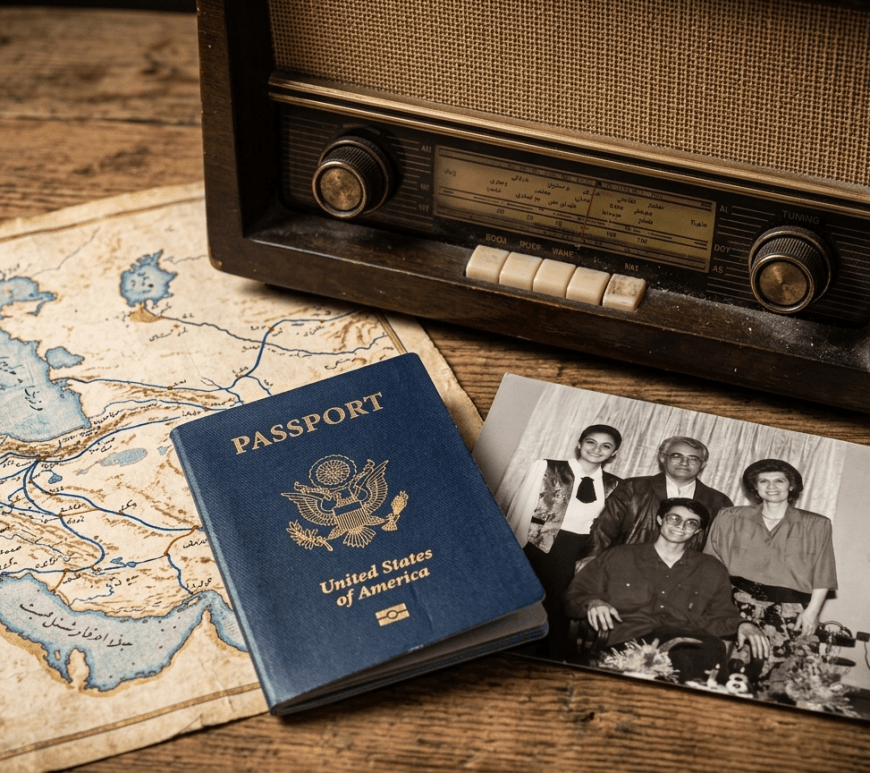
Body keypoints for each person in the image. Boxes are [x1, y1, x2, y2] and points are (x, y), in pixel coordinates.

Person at [564, 498, 769, 683]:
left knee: (703, 653)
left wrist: (744, 624)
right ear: (660, 519)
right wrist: (593, 602)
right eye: (674, 518)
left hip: (689, 648)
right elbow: (575, 595)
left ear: (697, 531)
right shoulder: (619, 556)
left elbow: (720, 615)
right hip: (628, 644)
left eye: (691, 523)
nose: (681, 526)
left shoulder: (711, 569)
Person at [704, 459, 837, 675]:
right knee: (723, 672)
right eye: (763, 481)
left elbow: (823, 570)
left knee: (785, 678)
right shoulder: (729, 517)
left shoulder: (817, 524)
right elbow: (711, 565)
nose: (771, 487)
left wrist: (812, 612)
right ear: (755, 487)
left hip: (790, 612)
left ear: (791, 486)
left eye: (779, 481)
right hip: (735, 604)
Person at [505, 424, 622, 660]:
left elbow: (607, 527)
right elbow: (520, 509)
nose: (597, 449)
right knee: (529, 604)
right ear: (579, 443)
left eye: (606, 446)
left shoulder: (614, 484)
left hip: (578, 552)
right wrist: (512, 550)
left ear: (613, 453)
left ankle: (543, 658)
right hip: (539, 546)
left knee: (560, 609)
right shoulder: (547, 467)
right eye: (591, 442)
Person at [586, 435, 732, 558]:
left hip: (683, 575)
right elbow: (603, 530)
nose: (684, 463)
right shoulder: (633, 487)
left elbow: (721, 548)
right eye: (676, 456)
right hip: (627, 565)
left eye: (693, 458)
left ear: (703, 464)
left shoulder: (719, 501)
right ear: (662, 457)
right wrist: (591, 558)